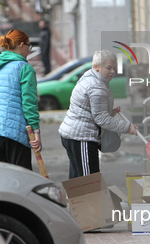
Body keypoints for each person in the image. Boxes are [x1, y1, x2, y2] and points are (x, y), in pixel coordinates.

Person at [59, 50, 139, 179]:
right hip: (82, 138)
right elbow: (101, 119)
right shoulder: (97, 87)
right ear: (96, 66)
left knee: (77, 180)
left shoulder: (89, 78)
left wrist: (109, 112)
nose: (112, 71)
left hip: (73, 135)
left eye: (114, 68)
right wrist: (127, 127)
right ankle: (88, 200)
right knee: (89, 182)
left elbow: (89, 110)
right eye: (108, 68)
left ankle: (75, 200)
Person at [0, 30, 41, 170]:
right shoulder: (24, 68)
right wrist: (36, 130)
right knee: (21, 175)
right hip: (13, 129)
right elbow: (29, 103)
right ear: (22, 45)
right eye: (29, 47)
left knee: (1, 176)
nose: (28, 51)